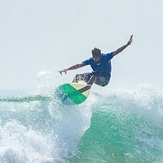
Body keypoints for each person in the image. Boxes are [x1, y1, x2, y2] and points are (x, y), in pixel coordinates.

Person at [59, 35, 133, 87]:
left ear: (100, 56)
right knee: (77, 76)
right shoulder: (91, 60)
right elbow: (78, 65)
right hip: (93, 77)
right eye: (94, 58)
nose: (95, 60)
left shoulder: (106, 57)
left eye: (96, 58)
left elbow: (117, 51)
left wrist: (127, 44)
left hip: (104, 80)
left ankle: (86, 88)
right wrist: (67, 69)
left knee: (93, 76)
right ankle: (73, 89)